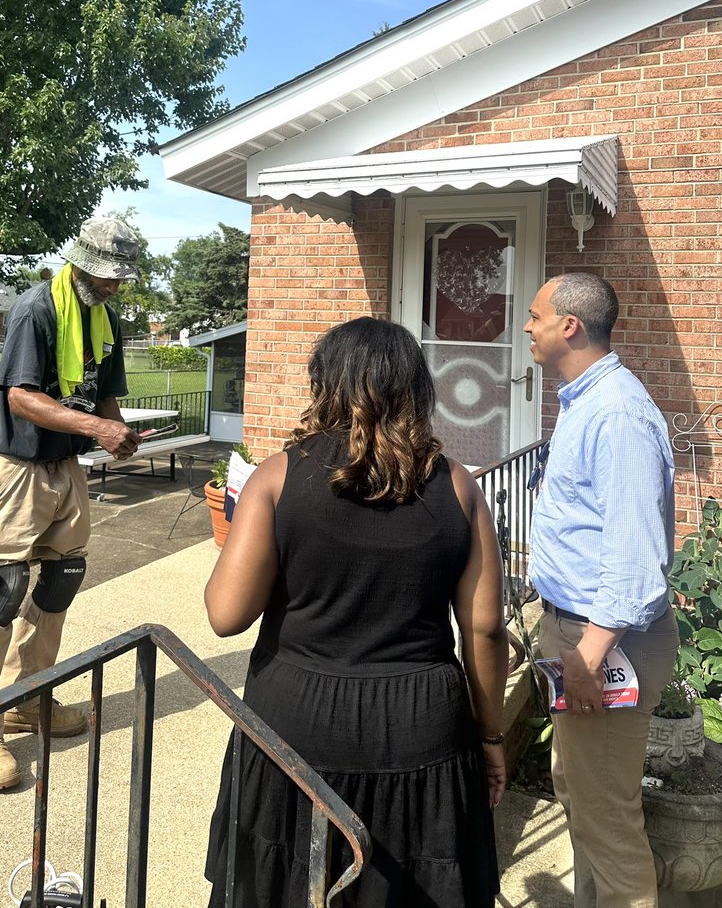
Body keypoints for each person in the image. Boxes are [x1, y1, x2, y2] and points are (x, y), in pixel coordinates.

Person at [204, 317, 509, 907]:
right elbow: (486, 628)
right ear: (416, 389)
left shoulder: (277, 476)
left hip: (294, 727)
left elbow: (226, 613)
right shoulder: (459, 487)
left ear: (327, 384)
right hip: (422, 727)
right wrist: (490, 734)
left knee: (288, 881)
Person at [0, 217, 143, 791]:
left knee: (61, 579)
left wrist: (118, 430)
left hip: (66, 467)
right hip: (18, 469)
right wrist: (97, 427)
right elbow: (22, 397)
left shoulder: (103, 318)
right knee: (3, 588)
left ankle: (27, 698)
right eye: (108, 276)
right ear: (81, 262)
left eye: (120, 278)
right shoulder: (36, 310)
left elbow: (105, 392)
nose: (114, 286)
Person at [526, 273, 678, 908]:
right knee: (581, 797)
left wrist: (587, 658)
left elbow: (635, 563)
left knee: (608, 821)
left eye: (535, 315)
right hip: (582, 633)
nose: (526, 326)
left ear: (570, 327)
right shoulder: (585, 402)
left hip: (604, 642)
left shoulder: (615, 415)